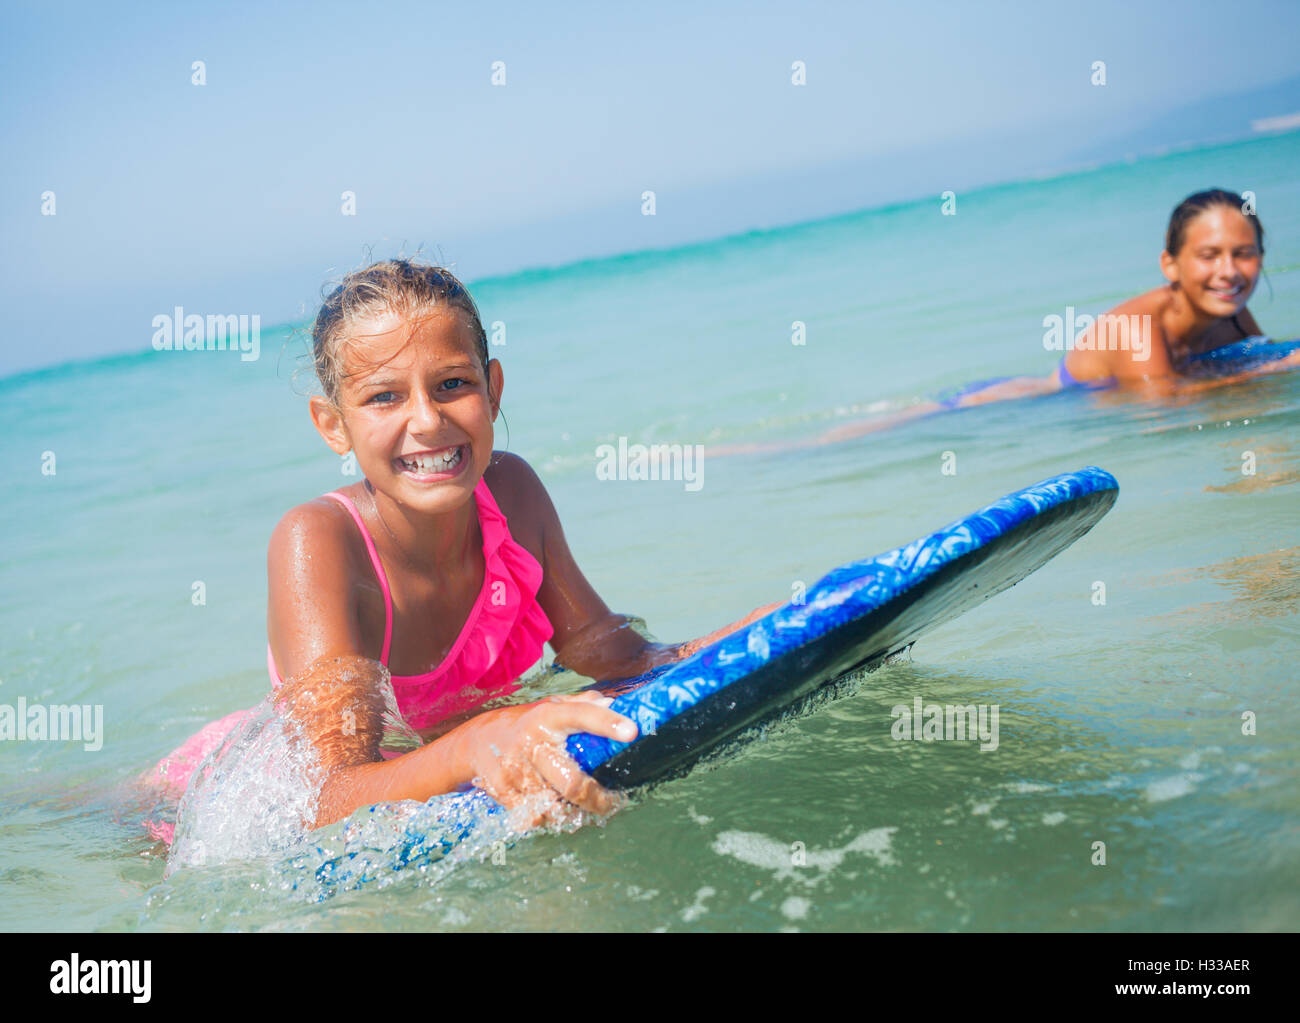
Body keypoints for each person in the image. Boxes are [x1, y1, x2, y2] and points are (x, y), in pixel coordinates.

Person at [145, 260, 779, 842]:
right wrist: (478, 742)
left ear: (493, 387)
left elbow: (614, 653)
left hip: (435, 747)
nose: (426, 420)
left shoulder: (514, 493)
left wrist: (751, 634)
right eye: (383, 396)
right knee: (95, 821)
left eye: (452, 383)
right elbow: (328, 793)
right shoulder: (319, 542)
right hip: (204, 792)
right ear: (333, 423)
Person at [717, 189, 1292, 455]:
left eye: (1243, 253)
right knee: (825, 444)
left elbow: (1249, 367)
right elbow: (1173, 413)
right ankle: (728, 455)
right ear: (1171, 262)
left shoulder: (1234, 312)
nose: (1229, 271)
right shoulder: (1140, 331)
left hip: (1053, 397)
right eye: (1209, 255)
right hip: (1012, 402)